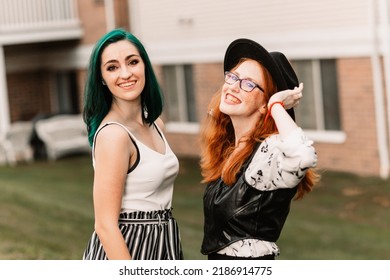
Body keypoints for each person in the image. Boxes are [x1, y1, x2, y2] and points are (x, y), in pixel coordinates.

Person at [200, 38, 319, 260]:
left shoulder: (268, 151)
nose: (233, 86)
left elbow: (303, 156)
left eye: (248, 83)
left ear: (265, 103)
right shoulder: (232, 150)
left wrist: (276, 105)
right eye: (233, 77)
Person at [82, 28, 183, 260]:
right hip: (127, 248)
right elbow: (105, 226)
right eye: (112, 67)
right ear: (102, 79)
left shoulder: (156, 123)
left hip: (162, 241)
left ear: (144, 65)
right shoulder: (114, 136)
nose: (125, 73)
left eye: (133, 62)